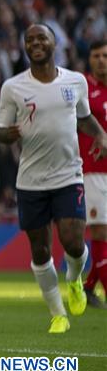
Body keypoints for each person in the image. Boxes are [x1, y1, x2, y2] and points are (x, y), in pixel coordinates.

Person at [0, 24, 107, 333]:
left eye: (41, 38)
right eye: (29, 39)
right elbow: (0, 130)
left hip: (69, 174)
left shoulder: (75, 82)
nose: (35, 43)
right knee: (41, 251)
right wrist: (8, 134)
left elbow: (85, 118)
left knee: (73, 242)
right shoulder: (13, 88)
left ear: (54, 43)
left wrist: (101, 136)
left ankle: (74, 279)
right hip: (31, 180)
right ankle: (58, 313)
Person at [80, 39, 107, 309]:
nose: (101, 60)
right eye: (96, 55)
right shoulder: (83, 88)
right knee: (100, 232)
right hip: (93, 171)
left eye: (105, 55)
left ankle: (88, 287)